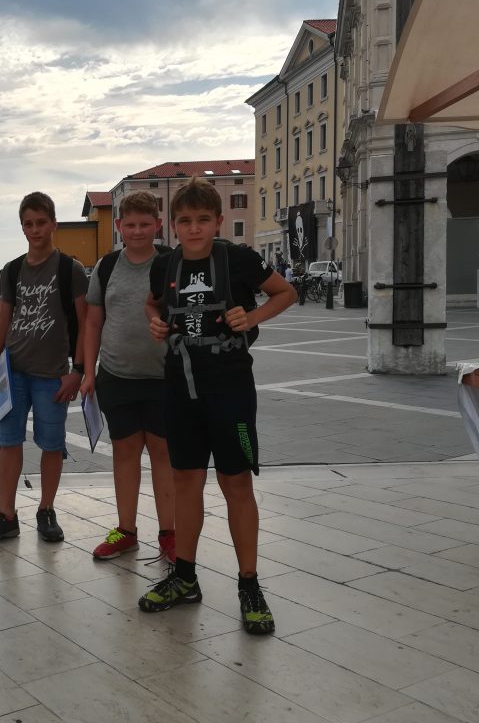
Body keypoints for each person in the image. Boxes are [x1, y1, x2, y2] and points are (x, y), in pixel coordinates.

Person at [142, 177, 296, 634]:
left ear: (219, 222)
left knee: (236, 483)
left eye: (203, 220)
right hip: (180, 388)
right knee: (185, 481)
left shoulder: (239, 259)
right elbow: (152, 304)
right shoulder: (164, 264)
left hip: (230, 389)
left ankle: (249, 584)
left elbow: (286, 292)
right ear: (172, 225)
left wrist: (252, 316)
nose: (194, 229)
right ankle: (185, 577)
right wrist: (155, 322)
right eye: (185, 221)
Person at [0, 191, 88, 545]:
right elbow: (3, 321)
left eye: (41, 223)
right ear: (22, 227)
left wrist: (78, 371)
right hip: (14, 372)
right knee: (8, 442)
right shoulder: (12, 270)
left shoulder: (70, 270)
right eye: (28, 224)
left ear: (54, 224)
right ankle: (6, 514)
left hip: (52, 373)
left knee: (52, 445)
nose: (35, 230)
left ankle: (46, 509)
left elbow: (84, 324)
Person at [80, 191, 175, 562]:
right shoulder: (107, 267)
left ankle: (169, 533)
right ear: (119, 226)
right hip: (116, 375)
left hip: (163, 377)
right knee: (124, 454)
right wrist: (88, 372)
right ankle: (127, 530)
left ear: (158, 224)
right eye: (130, 224)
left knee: (163, 455)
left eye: (144, 224)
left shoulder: (171, 263)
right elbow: (92, 322)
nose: (137, 231)